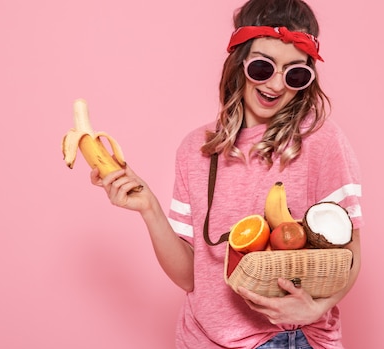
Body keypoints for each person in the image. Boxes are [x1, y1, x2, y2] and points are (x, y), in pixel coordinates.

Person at [91, 0, 363, 347]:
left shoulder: (320, 141)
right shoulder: (195, 149)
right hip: (199, 338)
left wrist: (313, 311)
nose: (277, 85)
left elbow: (350, 256)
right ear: (239, 64)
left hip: (283, 338)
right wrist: (149, 208)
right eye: (264, 68)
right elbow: (192, 277)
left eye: (295, 73)